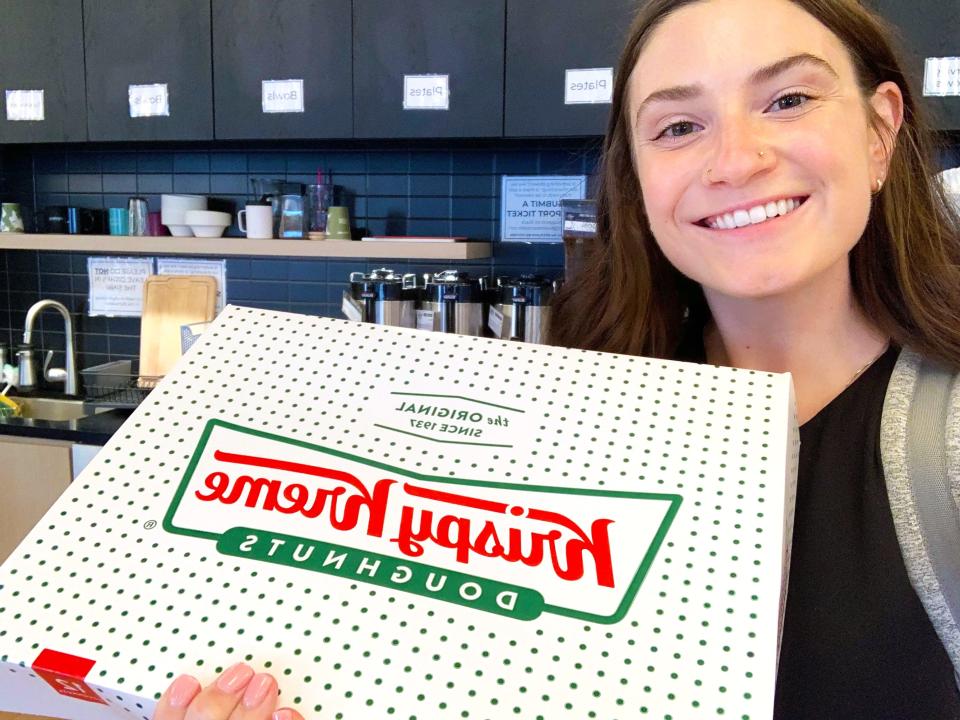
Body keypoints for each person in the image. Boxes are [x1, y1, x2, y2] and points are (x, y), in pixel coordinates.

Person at [155, 0, 960, 718]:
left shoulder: (944, 437)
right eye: (679, 127)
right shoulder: (566, 423)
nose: (735, 161)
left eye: (787, 100)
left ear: (880, 129)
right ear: (637, 176)